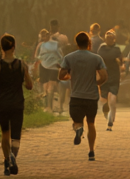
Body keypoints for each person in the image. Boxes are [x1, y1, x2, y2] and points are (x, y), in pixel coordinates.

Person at [0, 33, 33, 175]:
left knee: (5, 133)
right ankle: (13, 156)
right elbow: (29, 85)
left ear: (1, 48)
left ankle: (6, 159)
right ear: (14, 47)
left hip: (3, 103)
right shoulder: (22, 65)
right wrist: (20, 83)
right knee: (16, 135)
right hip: (18, 103)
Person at [59, 31, 106, 161]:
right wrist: (97, 83)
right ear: (89, 43)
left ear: (77, 44)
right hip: (91, 96)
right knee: (91, 123)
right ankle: (91, 151)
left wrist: (70, 76)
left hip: (76, 96)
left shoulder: (69, 58)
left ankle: (79, 130)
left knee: (77, 121)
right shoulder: (97, 58)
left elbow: (61, 75)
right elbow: (104, 76)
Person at [97, 29, 124, 131]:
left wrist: (119, 63)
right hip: (104, 76)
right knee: (103, 99)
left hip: (114, 76)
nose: (109, 39)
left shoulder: (117, 49)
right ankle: (107, 113)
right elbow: (97, 60)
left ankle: (111, 121)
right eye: (107, 38)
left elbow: (122, 62)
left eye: (111, 38)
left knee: (112, 99)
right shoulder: (102, 48)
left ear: (114, 39)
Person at [36, 29, 64, 113]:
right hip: (44, 66)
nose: (44, 37)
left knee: (51, 86)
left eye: (45, 35)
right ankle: (47, 106)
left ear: (48, 35)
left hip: (53, 66)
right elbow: (38, 56)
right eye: (42, 36)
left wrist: (60, 63)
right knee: (46, 87)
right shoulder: (41, 45)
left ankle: (51, 107)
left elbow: (60, 54)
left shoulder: (55, 44)